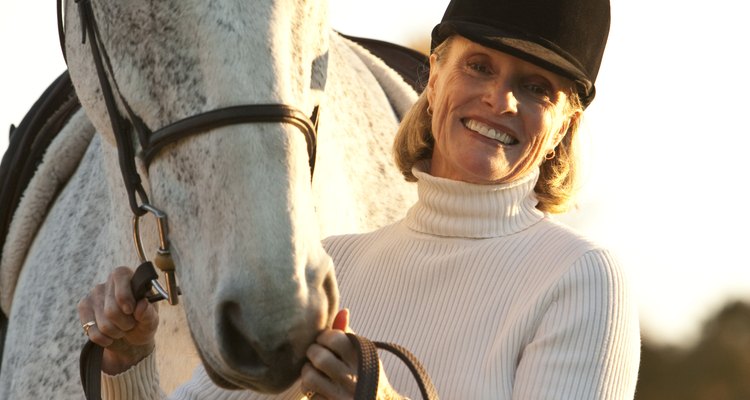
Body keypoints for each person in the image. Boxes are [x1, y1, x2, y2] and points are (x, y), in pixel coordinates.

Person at [78, 0, 641, 398]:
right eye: (479, 66)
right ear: (436, 75)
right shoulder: (336, 264)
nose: (501, 99)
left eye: (537, 87)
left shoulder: (583, 279)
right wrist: (129, 361)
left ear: (565, 123)